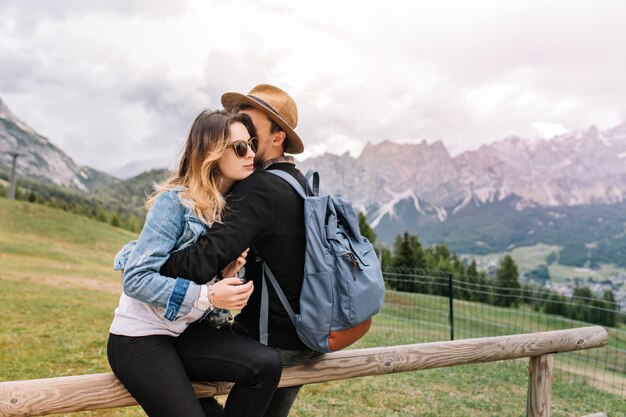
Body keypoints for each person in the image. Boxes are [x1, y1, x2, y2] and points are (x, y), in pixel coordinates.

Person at [107, 109, 283, 417]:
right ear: (211, 153)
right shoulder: (174, 202)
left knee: (267, 365)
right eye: (240, 147)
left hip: (184, 335)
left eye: (252, 143)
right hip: (138, 338)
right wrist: (209, 295)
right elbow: (136, 279)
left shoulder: (228, 210)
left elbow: (203, 296)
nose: (251, 153)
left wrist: (221, 278)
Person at [160, 84, 318, 417]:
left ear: (277, 137)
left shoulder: (261, 187)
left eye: (249, 124)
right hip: (305, 337)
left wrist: (151, 261)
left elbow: (204, 259)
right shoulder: (299, 183)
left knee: (157, 356)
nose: (240, 130)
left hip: (268, 340)